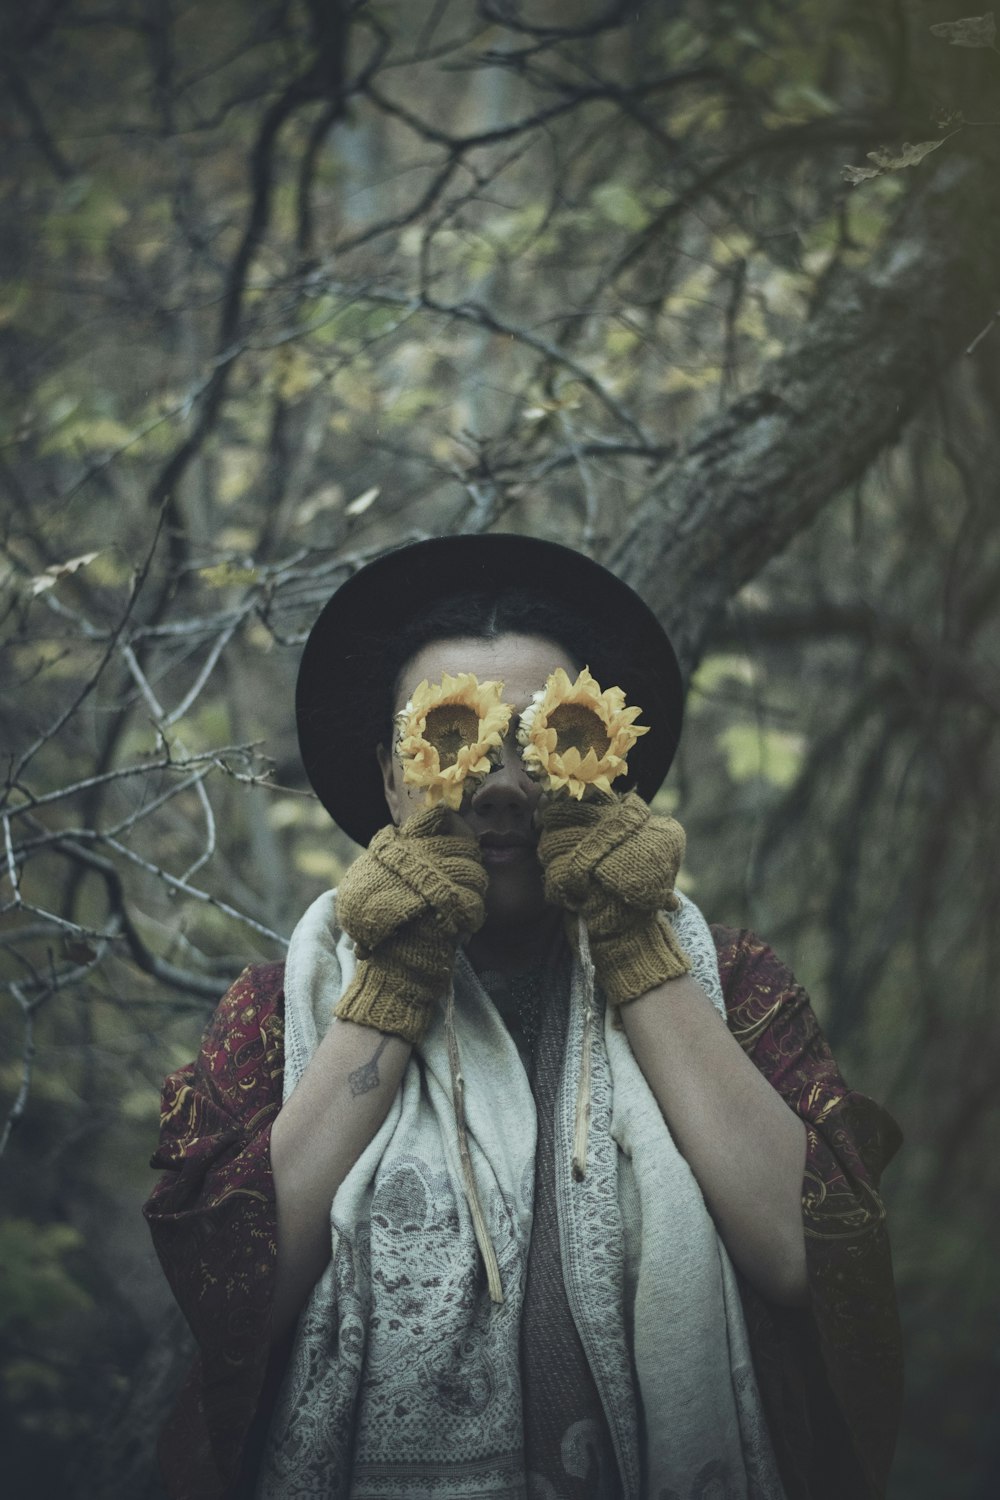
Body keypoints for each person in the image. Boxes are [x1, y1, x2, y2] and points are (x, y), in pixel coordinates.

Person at [144, 534, 903, 1500]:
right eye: (457, 743)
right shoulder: (278, 1016)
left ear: (605, 761)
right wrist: (391, 989)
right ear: (390, 776)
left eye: (547, 742)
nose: (501, 785)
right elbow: (234, 1295)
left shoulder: (736, 988)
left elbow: (810, 1257)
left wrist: (637, 947)